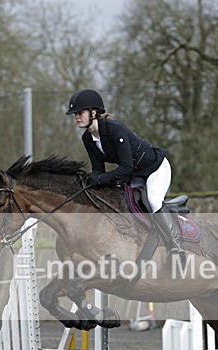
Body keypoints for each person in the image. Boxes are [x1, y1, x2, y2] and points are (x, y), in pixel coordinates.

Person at [66, 89, 185, 256]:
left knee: (153, 200)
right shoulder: (88, 139)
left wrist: (100, 180)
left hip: (155, 169)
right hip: (134, 174)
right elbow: (98, 170)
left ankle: (175, 246)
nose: (76, 117)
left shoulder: (115, 129)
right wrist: (88, 182)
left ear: (93, 112)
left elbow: (125, 167)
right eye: (75, 114)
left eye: (80, 112)